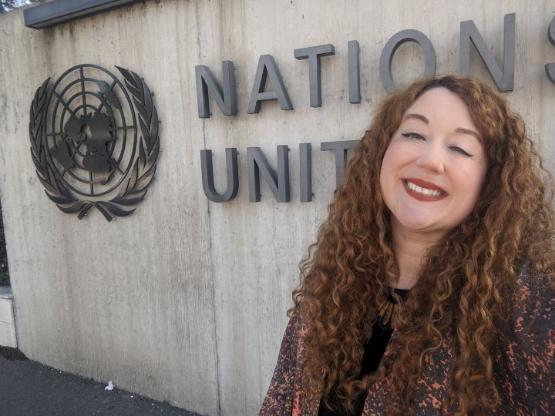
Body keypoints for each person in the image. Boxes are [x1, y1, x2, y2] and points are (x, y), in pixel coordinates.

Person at [259, 75, 554, 415]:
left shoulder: (525, 305)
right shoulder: (335, 282)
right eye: (414, 134)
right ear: (382, 150)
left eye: (459, 148)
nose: (430, 160)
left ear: (489, 182)